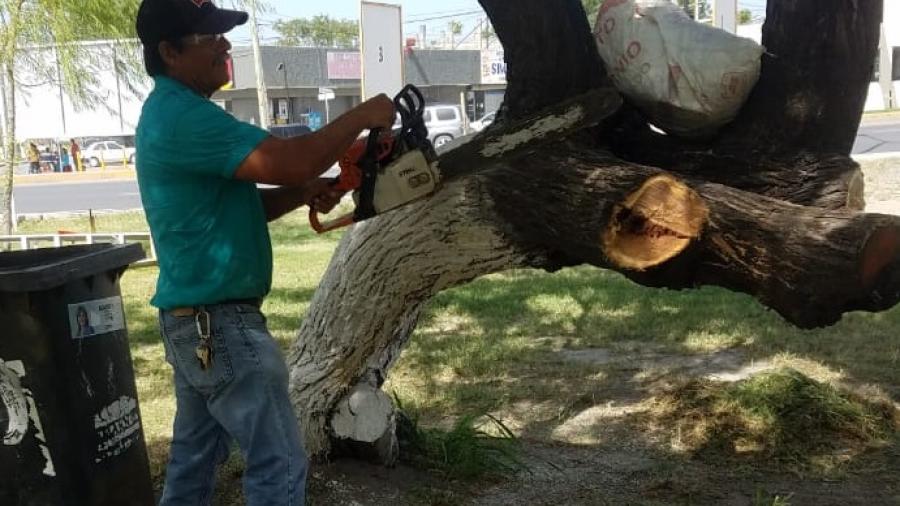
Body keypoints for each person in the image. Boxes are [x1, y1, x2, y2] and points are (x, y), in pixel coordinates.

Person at [134, 1, 395, 505]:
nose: (224, 45)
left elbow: (236, 201)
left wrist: (303, 193)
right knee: (278, 463)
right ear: (169, 51)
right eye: (210, 37)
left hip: (193, 323)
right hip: (222, 328)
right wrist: (362, 116)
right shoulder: (186, 118)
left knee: (193, 463)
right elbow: (289, 160)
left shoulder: (169, 112)